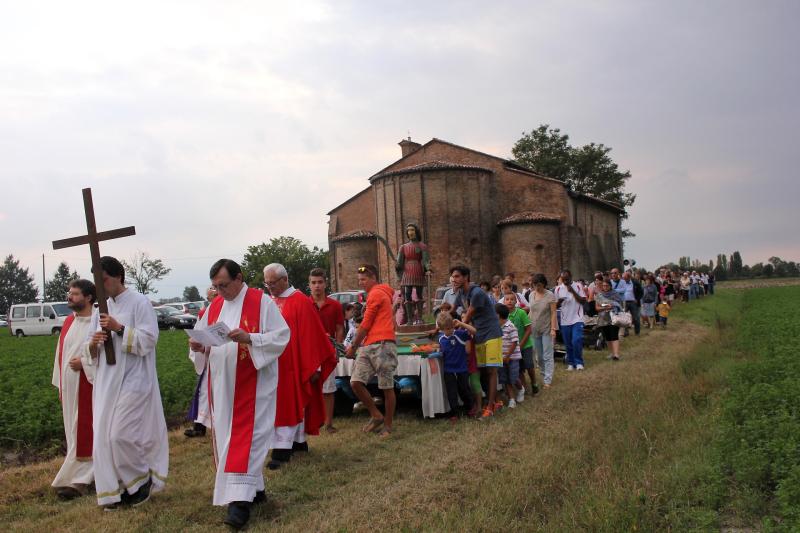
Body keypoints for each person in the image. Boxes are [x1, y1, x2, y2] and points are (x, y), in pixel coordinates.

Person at [189, 259, 290, 529]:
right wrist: (199, 346)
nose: (219, 291)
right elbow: (206, 341)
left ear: (239, 277)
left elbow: (282, 336)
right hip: (222, 385)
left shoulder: (262, 302)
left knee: (246, 440)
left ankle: (239, 504)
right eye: (215, 287)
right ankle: (254, 491)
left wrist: (251, 339)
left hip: (253, 385)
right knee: (227, 437)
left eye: (223, 285)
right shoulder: (215, 306)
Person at [86, 256, 168, 510]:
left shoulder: (139, 302)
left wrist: (119, 328)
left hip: (134, 377)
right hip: (108, 380)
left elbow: (149, 340)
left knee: (119, 435)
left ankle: (141, 480)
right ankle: (118, 489)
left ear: (118, 276)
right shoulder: (100, 308)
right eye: (97, 281)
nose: (101, 285)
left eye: (105, 279)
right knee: (104, 437)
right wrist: (94, 343)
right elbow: (89, 348)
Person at [263, 263, 336, 469]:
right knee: (284, 403)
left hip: (295, 362)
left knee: (290, 403)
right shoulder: (271, 301)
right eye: (266, 283)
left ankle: (281, 451)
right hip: (275, 361)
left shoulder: (300, 301)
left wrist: (314, 367)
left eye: (273, 283)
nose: (270, 287)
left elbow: (311, 335)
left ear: (284, 279)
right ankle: (298, 442)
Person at [51, 279, 97, 500]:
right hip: (71, 387)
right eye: (70, 293)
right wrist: (61, 382)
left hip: (89, 386)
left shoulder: (97, 323)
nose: (70, 297)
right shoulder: (69, 321)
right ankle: (84, 475)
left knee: (86, 430)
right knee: (73, 431)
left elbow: (109, 357)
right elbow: (61, 352)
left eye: (76, 294)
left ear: (88, 297)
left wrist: (86, 364)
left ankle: (81, 480)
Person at [344, 264, 397, 438]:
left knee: (386, 387)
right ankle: (376, 415)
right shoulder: (377, 293)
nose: (361, 283)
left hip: (382, 344)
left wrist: (353, 346)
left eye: (364, 279)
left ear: (373, 277)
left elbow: (365, 324)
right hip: (370, 344)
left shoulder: (376, 293)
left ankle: (388, 426)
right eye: (359, 280)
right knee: (355, 382)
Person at [450, 265, 503, 419]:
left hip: (492, 333)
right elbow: (452, 309)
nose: (454, 279)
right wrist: (440, 323)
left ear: (466, 277)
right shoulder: (460, 294)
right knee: (485, 371)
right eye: (453, 276)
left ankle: (491, 407)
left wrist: (457, 327)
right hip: (479, 334)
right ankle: (495, 401)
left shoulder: (477, 292)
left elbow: (467, 316)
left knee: (492, 371)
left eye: (457, 276)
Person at [308, 268, 345, 434]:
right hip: (309, 353)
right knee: (309, 387)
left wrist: (337, 349)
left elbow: (339, 328)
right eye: (314, 283)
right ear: (309, 284)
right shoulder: (305, 304)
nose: (317, 286)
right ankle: (312, 421)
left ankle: (329, 423)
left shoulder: (335, 305)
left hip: (328, 352)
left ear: (325, 283)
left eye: (320, 282)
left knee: (328, 389)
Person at [186, 286, 219, 438]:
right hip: (207, 359)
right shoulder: (204, 313)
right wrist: (196, 344)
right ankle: (199, 426)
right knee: (203, 393)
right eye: (212, 296)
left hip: (221, 358)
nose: (216, 298)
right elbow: (198, 332)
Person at [436, 312, 475, 420]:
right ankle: (454, 412)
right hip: (448, 369)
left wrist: (461, 324)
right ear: (441, 329)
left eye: (450, 328)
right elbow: (442, 350)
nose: (449, 331)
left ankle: (470, 407)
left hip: (462, 368)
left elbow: (474, 331)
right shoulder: (441, 338)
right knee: (451, 391)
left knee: (464, 389)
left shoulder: (460, 334)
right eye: (446, 329)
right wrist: (438, 351)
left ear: (453, 325)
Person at [395, 223, 430, 325]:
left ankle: (419, 318)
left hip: (418, 269)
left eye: (412, 230)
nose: (410, 232)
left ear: (416, 232)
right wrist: (397, 265)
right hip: (407, 271)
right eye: (409, 230)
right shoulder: (403, 247)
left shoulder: (422, 246)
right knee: (407, 294)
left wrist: (428, 268)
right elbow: (400, 262)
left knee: (419, 294)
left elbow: (426, 260)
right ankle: (409, 319)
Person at [503, 292, 535, 400]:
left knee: (529, 365)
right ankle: (523, 387)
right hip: (513, 348)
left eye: (512, 299)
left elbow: (529, 329)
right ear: (504, 302)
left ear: (516, 301)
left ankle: (534, 383)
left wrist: (521, 344)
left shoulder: (521, 313)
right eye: (507, 299)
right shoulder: (503, 315)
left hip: (525, 345)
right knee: (519, 369)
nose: (509, 301)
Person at [528, 273, 557, 388]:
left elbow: (554, 312)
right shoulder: (531, 295)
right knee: (539, 356)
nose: (536, 287)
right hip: (534, 328)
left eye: (539, 285)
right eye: (534, 285)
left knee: (547, 355)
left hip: (547, 328)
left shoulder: (550, 295)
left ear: (544, 284)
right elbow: (531, 311)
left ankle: (548, 380)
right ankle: (544, 374)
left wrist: (553, 328)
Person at [554, 269, 587, 371]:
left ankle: (579, 362)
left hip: (577, 318)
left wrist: (572, 291)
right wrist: (559, 301)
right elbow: (555, 306)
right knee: (568, 343)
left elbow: (583, 301)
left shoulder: (578, 286)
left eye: (567, 279)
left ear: (571, 277)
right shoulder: (558, 289)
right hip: (565, 320)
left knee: (576, 340)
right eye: (563, 280)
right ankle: (571, 363)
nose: (565, 281)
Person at [496, 303, 522, 408]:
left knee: (513, 377)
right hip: (501, 359)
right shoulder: (496, 328)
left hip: (512, 358)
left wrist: (507, 356)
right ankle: (512, 399)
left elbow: (514, 342)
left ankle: (521, 389)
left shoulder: (511, 326)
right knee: (506, 379)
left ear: (497, 315)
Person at [595, 279, 623, 360]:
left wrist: (613, 306)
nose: (605, 287)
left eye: (607, 285)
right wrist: (605, 307)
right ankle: (612, 353)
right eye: (604, 286)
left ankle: (616, 355)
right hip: (603, 318)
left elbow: (619, 305)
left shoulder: (615, 294)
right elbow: (597, 308)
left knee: (614, 335)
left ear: (610, 286)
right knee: (607, 337)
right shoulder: (599, 295)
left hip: (614, 317)